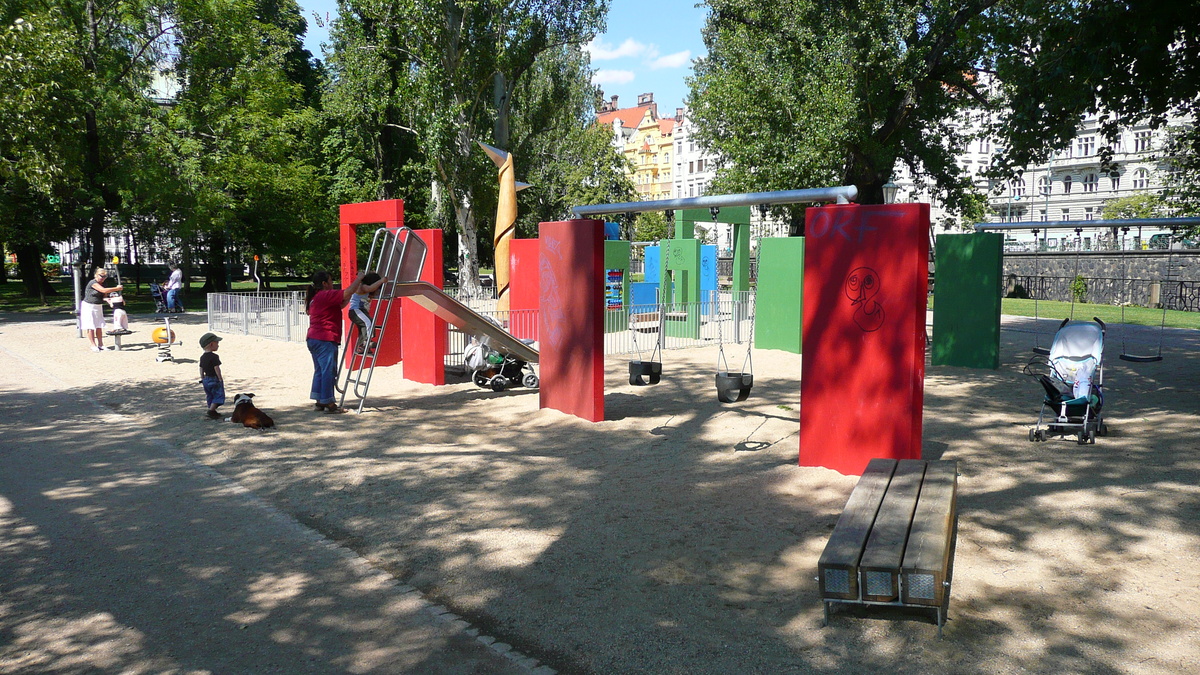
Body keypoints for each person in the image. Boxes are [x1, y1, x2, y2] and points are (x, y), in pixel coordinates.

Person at [305, 269, 366, 413]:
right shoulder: (325, 295)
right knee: (328, 371)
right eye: (331, 281)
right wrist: (359, 279)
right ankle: (329, 402)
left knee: (320, 370)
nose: (333, 284)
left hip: (314, 338)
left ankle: (319, 400)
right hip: (325, 338)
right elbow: (345, 293)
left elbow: (341, 302)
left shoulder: (317, 297)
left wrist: (353, 291)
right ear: (325, 283)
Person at [80, 267, 123, 352]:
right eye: (101, 276)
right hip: (89, 306)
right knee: (90, 326)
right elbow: (103, 291)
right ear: (96, 275)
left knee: (99, 325)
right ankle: (93, 345)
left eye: (105, 277)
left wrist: (108, 300)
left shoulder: (104, 283)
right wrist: (117, 288)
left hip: (98, 306)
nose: (103, 278)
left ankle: (101, 344)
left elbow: (104, 296)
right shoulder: (93, 283)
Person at [348, 271, 385, 355]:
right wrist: (381, 281)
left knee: (363, 330)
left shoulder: (367, 291)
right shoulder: (362, 287)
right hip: (356, 310)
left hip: (361, 311)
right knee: (368, 322)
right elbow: (370, 288)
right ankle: (368, 341)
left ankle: (362, 347)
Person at [198, 333, 225, 419]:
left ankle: (212, 409)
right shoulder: (214, 357)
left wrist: (202, 377)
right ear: (211, 344)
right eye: (217, 343)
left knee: (210, 395)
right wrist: (220, 378)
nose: (218, 345)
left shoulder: (202, 357)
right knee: (218, 394)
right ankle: (211, 411)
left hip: (206, 379)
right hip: (214, 379)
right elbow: (216, 368)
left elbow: (201, 368)